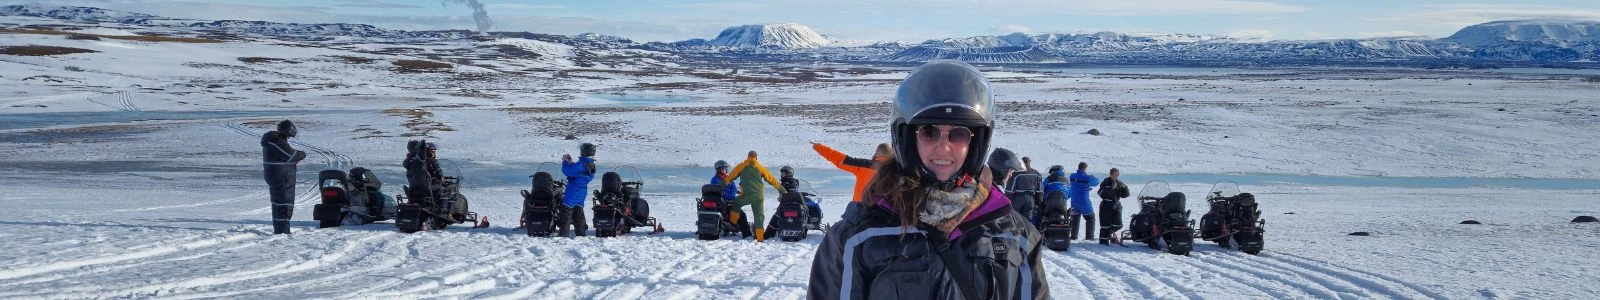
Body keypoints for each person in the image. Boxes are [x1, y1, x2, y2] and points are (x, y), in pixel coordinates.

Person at [808, 61, 1049, 299]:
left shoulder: (1013, 234)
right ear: (907, 139)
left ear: (975, 143)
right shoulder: (857, 236)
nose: (943, 147)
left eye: (958, 134)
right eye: (929, 132)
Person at [724, 151, 787, 241]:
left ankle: (732, 224)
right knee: (759, 217)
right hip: (759, 197)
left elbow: (730, 177)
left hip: (746, 195)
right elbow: (772, 180)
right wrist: (783, 190)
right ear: (756, 158)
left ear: (748, 157)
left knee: (736, 203)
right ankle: (759, 238)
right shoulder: (761, 168)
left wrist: (721, 185)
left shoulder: (741, 166)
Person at [261, 120, 307, 235]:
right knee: (284, 204)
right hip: (282, 178)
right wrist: (301, 154)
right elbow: (290, 156)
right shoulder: (276, 142)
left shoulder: (272, 141)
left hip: (277, 176)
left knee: (277, 203)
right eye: (289, 136)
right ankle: (283, 232)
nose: (289, 138)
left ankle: (279, 230)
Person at [811, 142, 892, 203]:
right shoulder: (897, 170)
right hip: (885, 212)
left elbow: (840, 159)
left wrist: (819, 147)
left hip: (860, 209)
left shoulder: (864, 165)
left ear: (877, 153)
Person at [558, 143, 597, 237]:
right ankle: (581, 233)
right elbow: (579, 172)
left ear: (584, 151)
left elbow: (567, 171)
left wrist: (564, 161)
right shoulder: (590, 164)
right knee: (578, 212)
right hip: (582, 191)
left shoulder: (581, 164)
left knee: (566, 212)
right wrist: (571, 162)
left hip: (573, 191)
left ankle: (563, 235)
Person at [1097, 168, 1131, 245]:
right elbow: (1101, 193)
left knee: (1118, 225)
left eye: (1118, 174)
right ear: (1111, 174)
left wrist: (1125, 188)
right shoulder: (1105, 182)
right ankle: (1103, 242)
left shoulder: (1119, 183)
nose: (1117, 176)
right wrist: (1110, 190)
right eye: (1115, 174)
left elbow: (1126, 195)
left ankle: (1108, 234)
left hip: (1116, 206)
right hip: (1106, 206)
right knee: (1105, 226)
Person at [1068, 162, 1101, 241]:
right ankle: (1089, 237)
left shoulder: (1072, 176)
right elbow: (1097, 181)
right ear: (1085, 168)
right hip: (1084, 201)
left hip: (1074, 201)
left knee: (1075, 218)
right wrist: (1090, 177)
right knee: (1090, 218)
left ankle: (1073, 236)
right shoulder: (1087, 178)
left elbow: (1078, 183)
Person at [710, 160, 741, 233]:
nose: (724, 170)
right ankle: (730, 225)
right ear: (718, 170)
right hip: (721, 200)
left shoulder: (729, 178)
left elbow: (734, 188)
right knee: (737, 212)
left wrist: (732, 195)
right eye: (723, 169)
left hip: (730, 199)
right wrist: (728, 196)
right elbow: (719, 191)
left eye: (725, 169)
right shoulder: (715, 180)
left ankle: (735, 225)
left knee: (739, 211)